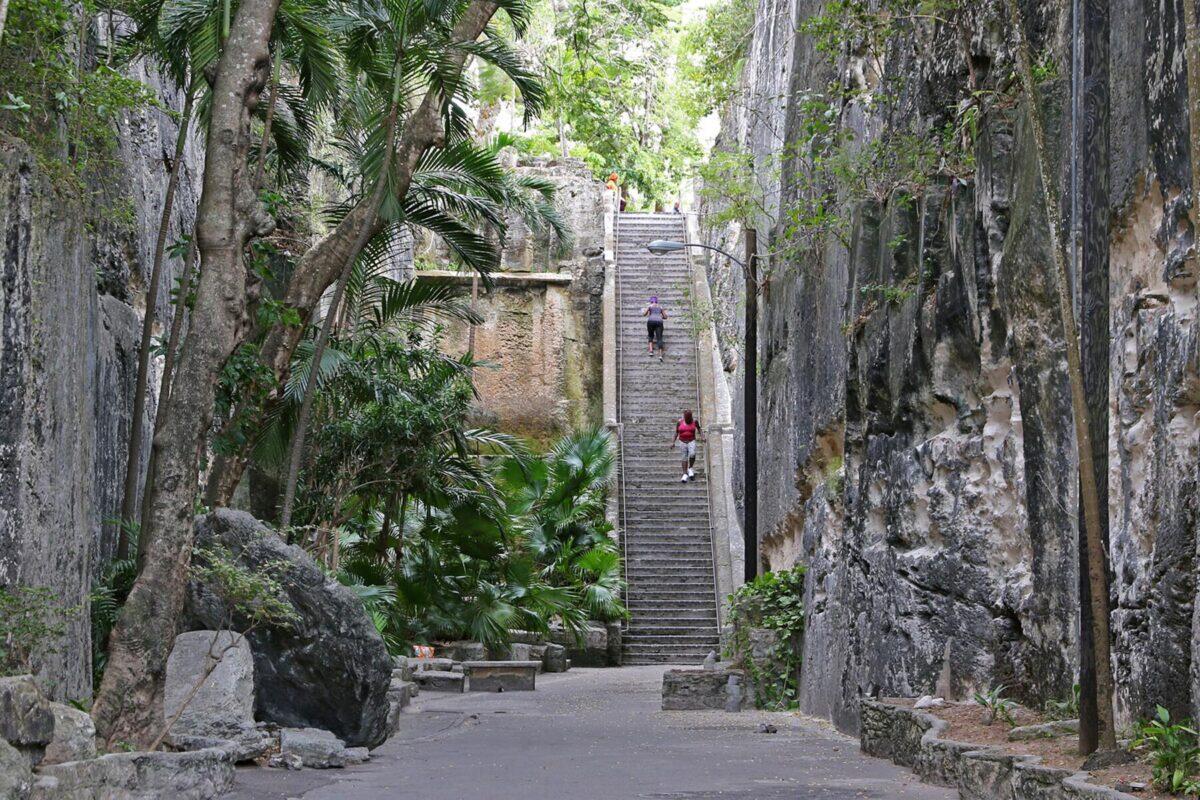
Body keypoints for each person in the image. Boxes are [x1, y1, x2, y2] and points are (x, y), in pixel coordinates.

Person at [672, 410, 702, 482]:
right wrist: (673, 442)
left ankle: (690, 468)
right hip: (682, 441)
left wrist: (703, 437)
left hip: (691, 440)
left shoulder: (695, 422)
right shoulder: (679, 422)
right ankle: (684, 474)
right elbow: (676, 432)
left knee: (692, 454)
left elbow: (699, 429)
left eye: (689, 417)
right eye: (686, 417)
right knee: (684, 457)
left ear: (691, 416)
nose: (688, 419)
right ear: (684, 417)